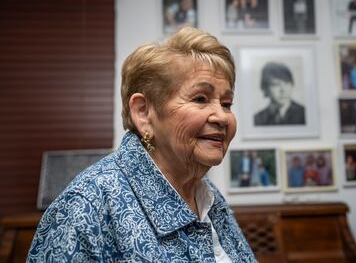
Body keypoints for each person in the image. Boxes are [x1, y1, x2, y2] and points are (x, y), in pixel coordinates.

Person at [27, 27, 257, 262]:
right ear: (144, 113)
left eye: (227, 103)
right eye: (200, 99)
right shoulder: (85, 207)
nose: (222, 116)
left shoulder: (207, 196)